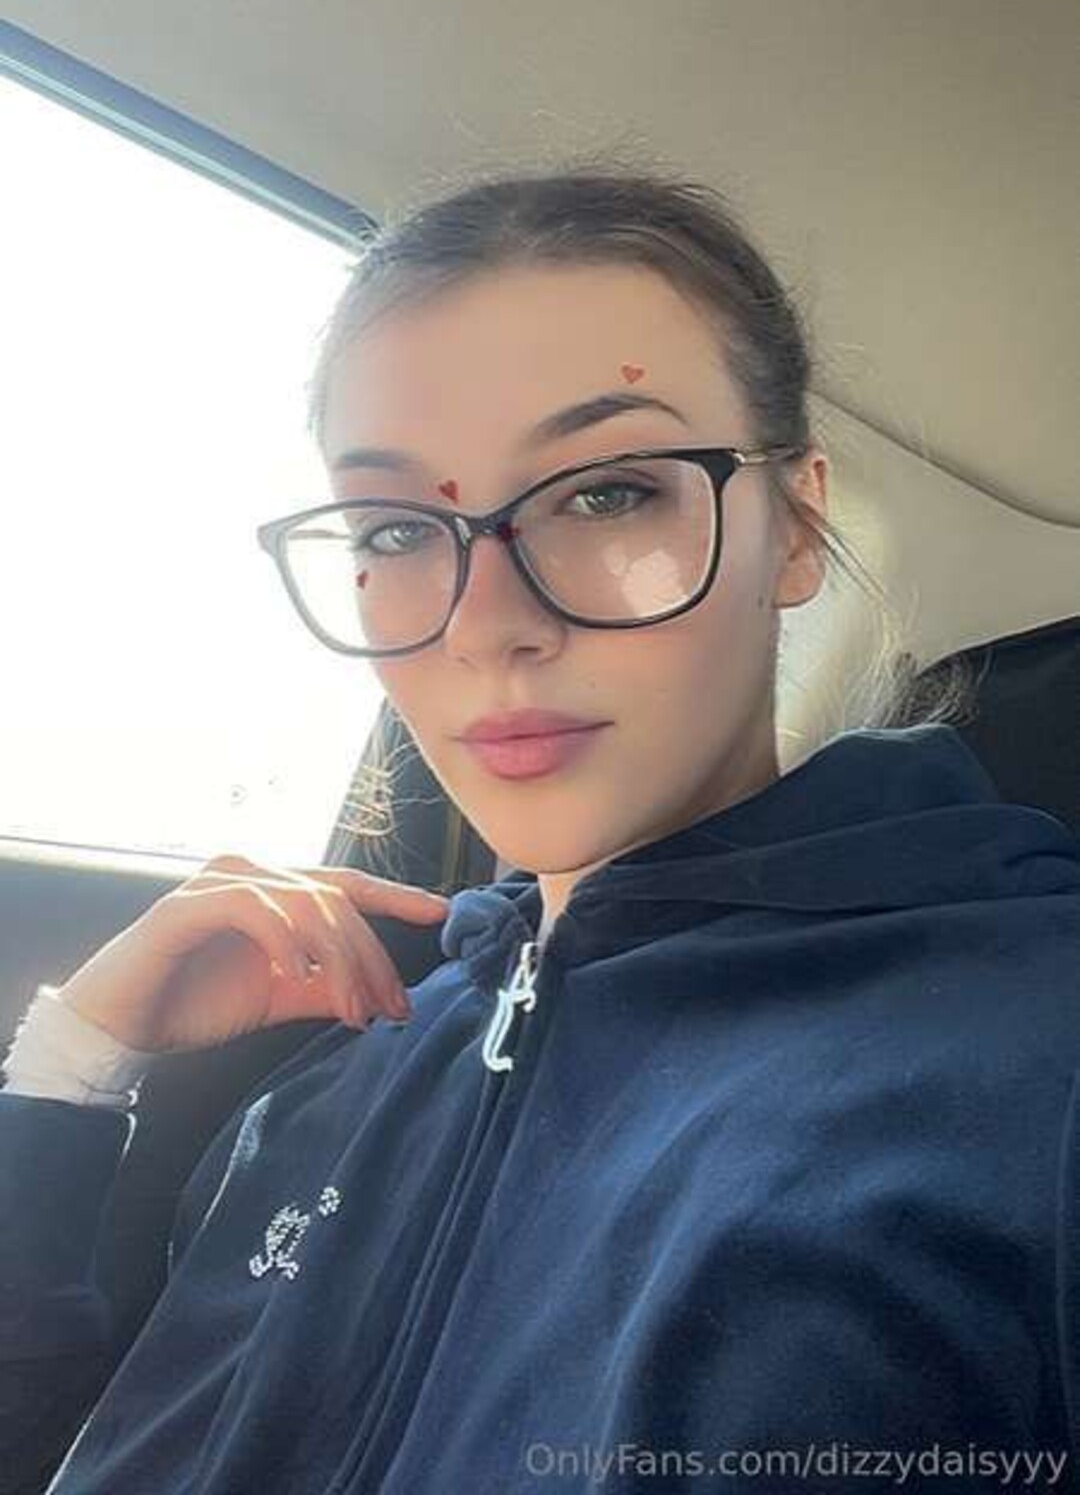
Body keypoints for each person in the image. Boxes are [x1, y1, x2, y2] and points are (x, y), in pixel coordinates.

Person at [2, 166, 1079, 1495]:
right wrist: (73, 1063)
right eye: (397, 527)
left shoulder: (1030, 1061)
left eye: (607, 493)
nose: (485, 626)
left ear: (796, 525)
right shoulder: (342, 1076)